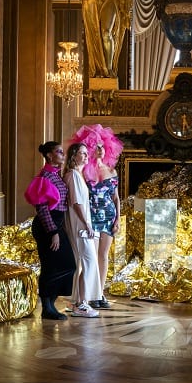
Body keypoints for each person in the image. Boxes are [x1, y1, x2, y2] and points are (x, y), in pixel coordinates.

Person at [70, 124, 123, 309]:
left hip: (108, 216)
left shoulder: (112, 170)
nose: (100, 150)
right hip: (91, 218)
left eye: (102, 146)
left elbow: (116, 198)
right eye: (96, 147)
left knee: (103, 255)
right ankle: (88, 295)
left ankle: (100, 293)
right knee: (90, 258)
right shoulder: (84, 171)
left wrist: (118, 218)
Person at [24, 141, 76, 320]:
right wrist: (53, 232)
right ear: (49, 156)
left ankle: (50, 303)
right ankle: (47, 307)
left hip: (56, 224)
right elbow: (42, 208)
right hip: (48, 226)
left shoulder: (56, 174)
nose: (63, 155)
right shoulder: (44, 177)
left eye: (62, 152)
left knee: (67, 264)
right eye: (59, 152)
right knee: (52, 266)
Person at [63, 142, 103, 318]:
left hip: (82, 223)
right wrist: (87, 224)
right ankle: (82, 304)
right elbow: (76, 203)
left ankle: (79, 301)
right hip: (80, 225)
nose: (87, 156)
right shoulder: (72, 175)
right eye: (82, 153)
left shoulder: (78, 174)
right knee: (88, 262)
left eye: (87, 153)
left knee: (85, 263)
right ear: (73, 156)